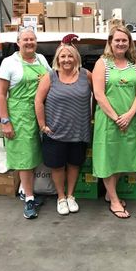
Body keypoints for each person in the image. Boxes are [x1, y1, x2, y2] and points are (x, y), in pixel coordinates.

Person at [34, 34, 92, 216]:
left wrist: (94, 118)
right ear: (57, 59)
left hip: (79, 130)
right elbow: (38, 101)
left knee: (75, 164)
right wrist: (43, 125)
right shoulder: (50, 77)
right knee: (57, 166)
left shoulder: (86, 75)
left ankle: (71, 195)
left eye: (70, 56)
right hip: (55, 131)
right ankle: (60, 197)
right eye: (63, 56)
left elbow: (98, 96)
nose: (66, 60)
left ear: (76, 58)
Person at [0, 26, 51, 219]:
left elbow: (51, 80)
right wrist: (5, 121)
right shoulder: (9, 63)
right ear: (18, 42)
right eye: (25, 39)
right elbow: (1, 94)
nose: (29, 43)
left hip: (40, 112)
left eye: (32, 39)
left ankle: (23, 189)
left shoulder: (41, 60)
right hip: (19, 115)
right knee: (25, 157)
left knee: (34, 154)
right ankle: (29, 198)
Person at [92, 25, 136, 219]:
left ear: (129, 43)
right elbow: (98, 94)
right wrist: (116, 117)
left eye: (124, 40)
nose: (121, 43)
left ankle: (109, 193)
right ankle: (114, 200)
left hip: (129, 119)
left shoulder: (134, 63)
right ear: (110, 42)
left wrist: (129, 115)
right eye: (117, 40)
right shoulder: (102, 63)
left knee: (122, 157)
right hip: (108, 120)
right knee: (108, 158)